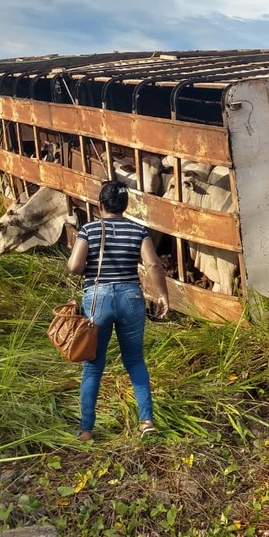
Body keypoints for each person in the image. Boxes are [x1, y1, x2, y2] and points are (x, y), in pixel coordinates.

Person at [66, 180, 170, 441]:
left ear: (100, 205)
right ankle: (146, 421)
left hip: (97, 298)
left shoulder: (89, 229)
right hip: (131, 297)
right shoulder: (138, 230)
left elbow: (75, 267)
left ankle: (86, 429)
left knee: (93, 365)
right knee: (134, 360)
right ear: (126, 204)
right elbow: (153, 265)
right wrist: (162, 295)